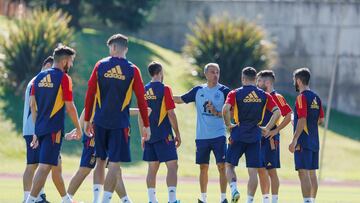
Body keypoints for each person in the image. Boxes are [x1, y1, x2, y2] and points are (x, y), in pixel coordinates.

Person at [84, 33, 150, 203]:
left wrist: (87, 120)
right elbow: (141, 99)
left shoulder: (100, 65)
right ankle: (106, 200)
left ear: (113, 47)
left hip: (99, 121)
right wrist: (146, 125)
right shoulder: (133, 69)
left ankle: (96, 200)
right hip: (120, 123)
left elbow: (90, 94)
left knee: (100, 159)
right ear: (125, 48)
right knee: (114, 163)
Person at [26, 46, 82, 203]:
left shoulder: (38, 78)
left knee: (56, 165)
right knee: (44, 167)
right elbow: (70, 106)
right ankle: (30, 200)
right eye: (70, 61)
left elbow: (33, 106)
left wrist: (37, 131)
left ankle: (66, 199)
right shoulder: (64, 78)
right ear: (64, 61)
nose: (70, 65)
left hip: (42, 129)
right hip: (53, 131)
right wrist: (78, 128)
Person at [222, 67, 280, 203]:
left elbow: (225, 109)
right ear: (255, 79)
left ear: (243, 78)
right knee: (253, 170)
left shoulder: (234, 93)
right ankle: (250, 200)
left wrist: (229, 125)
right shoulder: (264, 95)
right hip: (255, 134)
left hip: (238, 132)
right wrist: (267, 127)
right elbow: (277, 112)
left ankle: (234, 189)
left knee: (229, 165)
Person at [174, 63, 230, 203]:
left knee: (221, 166)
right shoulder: (198, 90)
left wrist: (217, 112)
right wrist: (162, 95)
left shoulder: (224, 91)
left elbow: (232, 111)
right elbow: (180, 99)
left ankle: (223, 198)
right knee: (203, 167)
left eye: (217, 72)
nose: (215, 75)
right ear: (205, 74)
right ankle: (203, 199)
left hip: (219, 135)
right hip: (202, 136)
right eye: (212, 72)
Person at [66, 108, 147, 203]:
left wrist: (140, 110)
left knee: (115, 169)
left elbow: (120, 108)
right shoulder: (101, 94)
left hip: (110, 132)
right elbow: (88, 107)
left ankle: (126, 200)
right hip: (94, 133)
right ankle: (67, 199)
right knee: (85, 169)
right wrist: (78, 128)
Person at [140, 61, 181, 203]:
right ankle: (172, 199)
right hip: (164, 134)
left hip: (150, 135)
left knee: (152, 168)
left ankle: (152, 200)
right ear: (160, 72)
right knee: (172, 165)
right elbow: (171, 113)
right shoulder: (165, 89)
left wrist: (143, 135)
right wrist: (178, 134)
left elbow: (141, 114)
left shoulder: (143, 90)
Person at [256, 70, 292, 203]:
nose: (257, 83)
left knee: (271, 171)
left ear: (267, 82)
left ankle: (274, 200)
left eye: (259, 81)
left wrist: (276, 130)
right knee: (260, 169)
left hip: (271, 139)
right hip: (258, 138)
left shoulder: (277, 97)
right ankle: (265, 199)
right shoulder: (259, 97)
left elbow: (289, 115)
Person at [289, 68, 324, 203]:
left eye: (294, 81)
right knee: (312, 173)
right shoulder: (316, 97)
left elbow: (302, 119)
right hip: (315, 141)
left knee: (303, 172)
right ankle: (312, 201)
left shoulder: (301, 97)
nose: (294, 83)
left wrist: (294, 140)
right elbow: (321, 120)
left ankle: (307, 201)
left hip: (303, 141)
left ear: (298, 81)